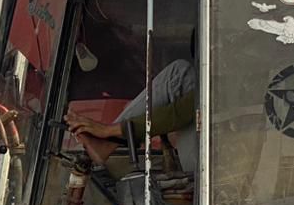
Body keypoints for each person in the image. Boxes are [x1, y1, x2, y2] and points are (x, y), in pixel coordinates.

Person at [65, 59, 197, 173]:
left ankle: (108, 143)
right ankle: (109, 143)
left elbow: (182, 112)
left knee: (180, 75)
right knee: (180, 73)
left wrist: (109, 130)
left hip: (209, 171)